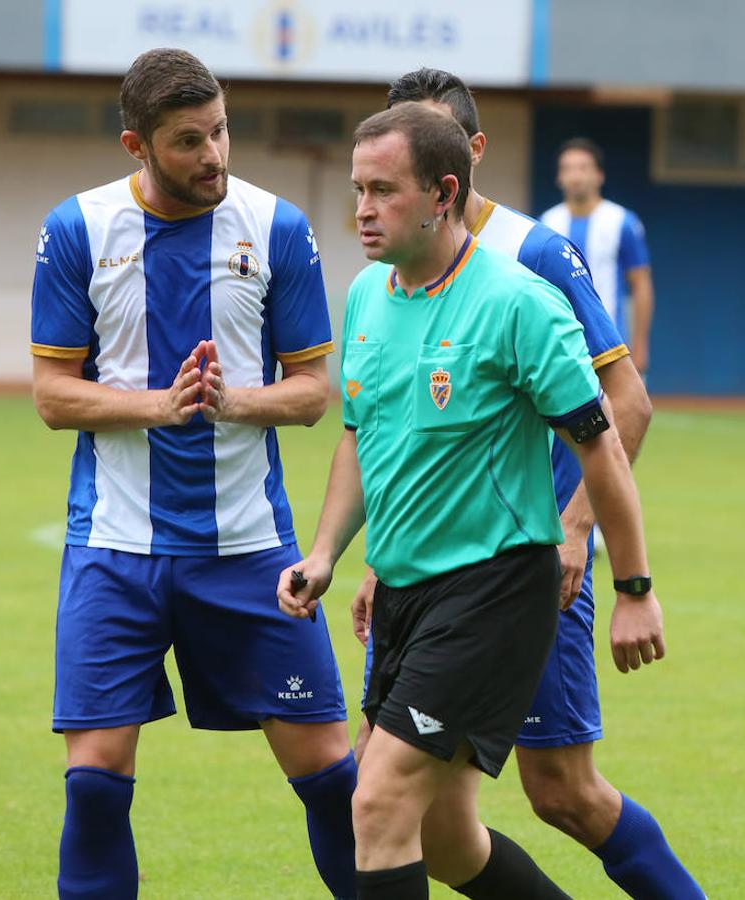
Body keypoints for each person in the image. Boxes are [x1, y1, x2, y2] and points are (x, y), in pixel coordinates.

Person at [278, 102, 664, 900]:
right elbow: (359, 436)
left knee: (378, 801)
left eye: (384, 190)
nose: (362, 210)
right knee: (443, 838)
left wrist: (632, 588)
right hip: (405, 594)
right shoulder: (364, 297)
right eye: (358, 190)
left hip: (494, 589)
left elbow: (602, 443)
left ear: (443, 192)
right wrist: (325, 554)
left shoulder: (518, 300)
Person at [30, 48, 356, 899]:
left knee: (331, 777)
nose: (213, 155)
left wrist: (231, 403)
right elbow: (54, 396)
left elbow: (315, 392)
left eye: (220, 130)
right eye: (188, 141)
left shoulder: (276, 226)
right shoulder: (78, 229)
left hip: (249, 550)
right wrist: (160, 406)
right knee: (95, 785)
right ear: (137, 144)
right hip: (114, 548)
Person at [540, 137, 655, 377]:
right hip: (561, 345)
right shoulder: (547, 223)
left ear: (599, 175)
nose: (575, 176)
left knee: (623, 414)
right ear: (559, 177)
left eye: (583, 167)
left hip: (612, 342)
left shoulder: (622, 221)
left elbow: (641, 283)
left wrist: (641, 343)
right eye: (567, 169)